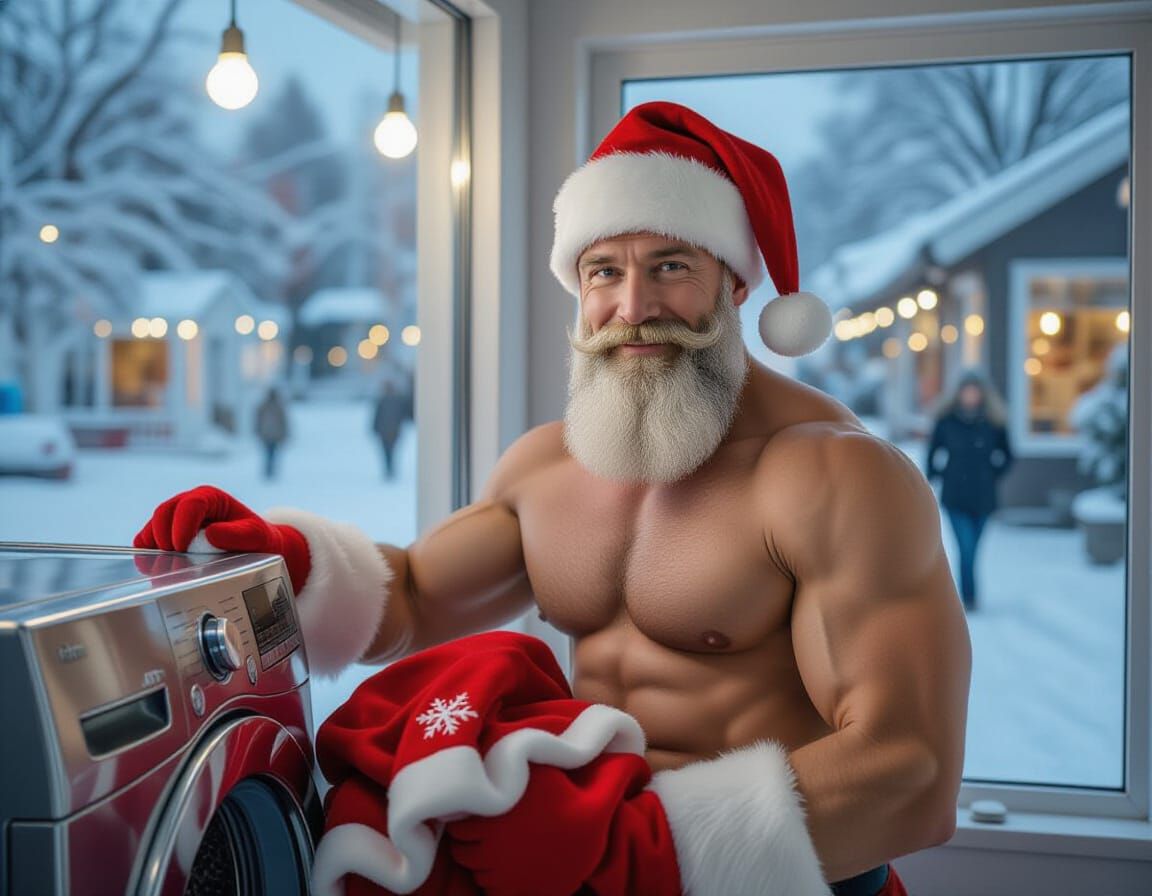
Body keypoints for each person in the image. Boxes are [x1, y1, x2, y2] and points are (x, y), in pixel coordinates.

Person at [135, 102, 971, 896]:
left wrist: (638, 849)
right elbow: (418, 597)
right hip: (579, 863)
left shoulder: (833, 477)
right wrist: (294, 564)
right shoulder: (548, 467)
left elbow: (911, 769)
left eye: (671, 266)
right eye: (605, 271)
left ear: (736, 285)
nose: (633, 307)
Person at [926, 368, 1014, 612]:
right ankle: (969, 598)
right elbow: (933, 454)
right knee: (965, 548)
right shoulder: (947, 422)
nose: (971, 395)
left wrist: (993, 473)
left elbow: (1008, 455)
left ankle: (967, 595)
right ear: (959, 393)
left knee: (973, 550)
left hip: (984, 497)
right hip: (955, 495)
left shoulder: (993, 423)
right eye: (967, 391)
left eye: (975, 391)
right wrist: (937, 475)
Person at [371, 379, 411, 480]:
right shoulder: (388, 400)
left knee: (389, 451)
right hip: (389, 431)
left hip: (390, 431)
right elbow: (377, 416)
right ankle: (390, 469)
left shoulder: (395, 401)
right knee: (388, 451)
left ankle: (390, 469)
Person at [254, 385, 289, 480]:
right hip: (272, 435)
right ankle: (269, 470)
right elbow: (284, 422)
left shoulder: (265, 406)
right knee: (270, 453)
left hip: (268, 434)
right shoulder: (275, 406)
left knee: (269, 453)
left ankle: (269, 470)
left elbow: (257, 420)